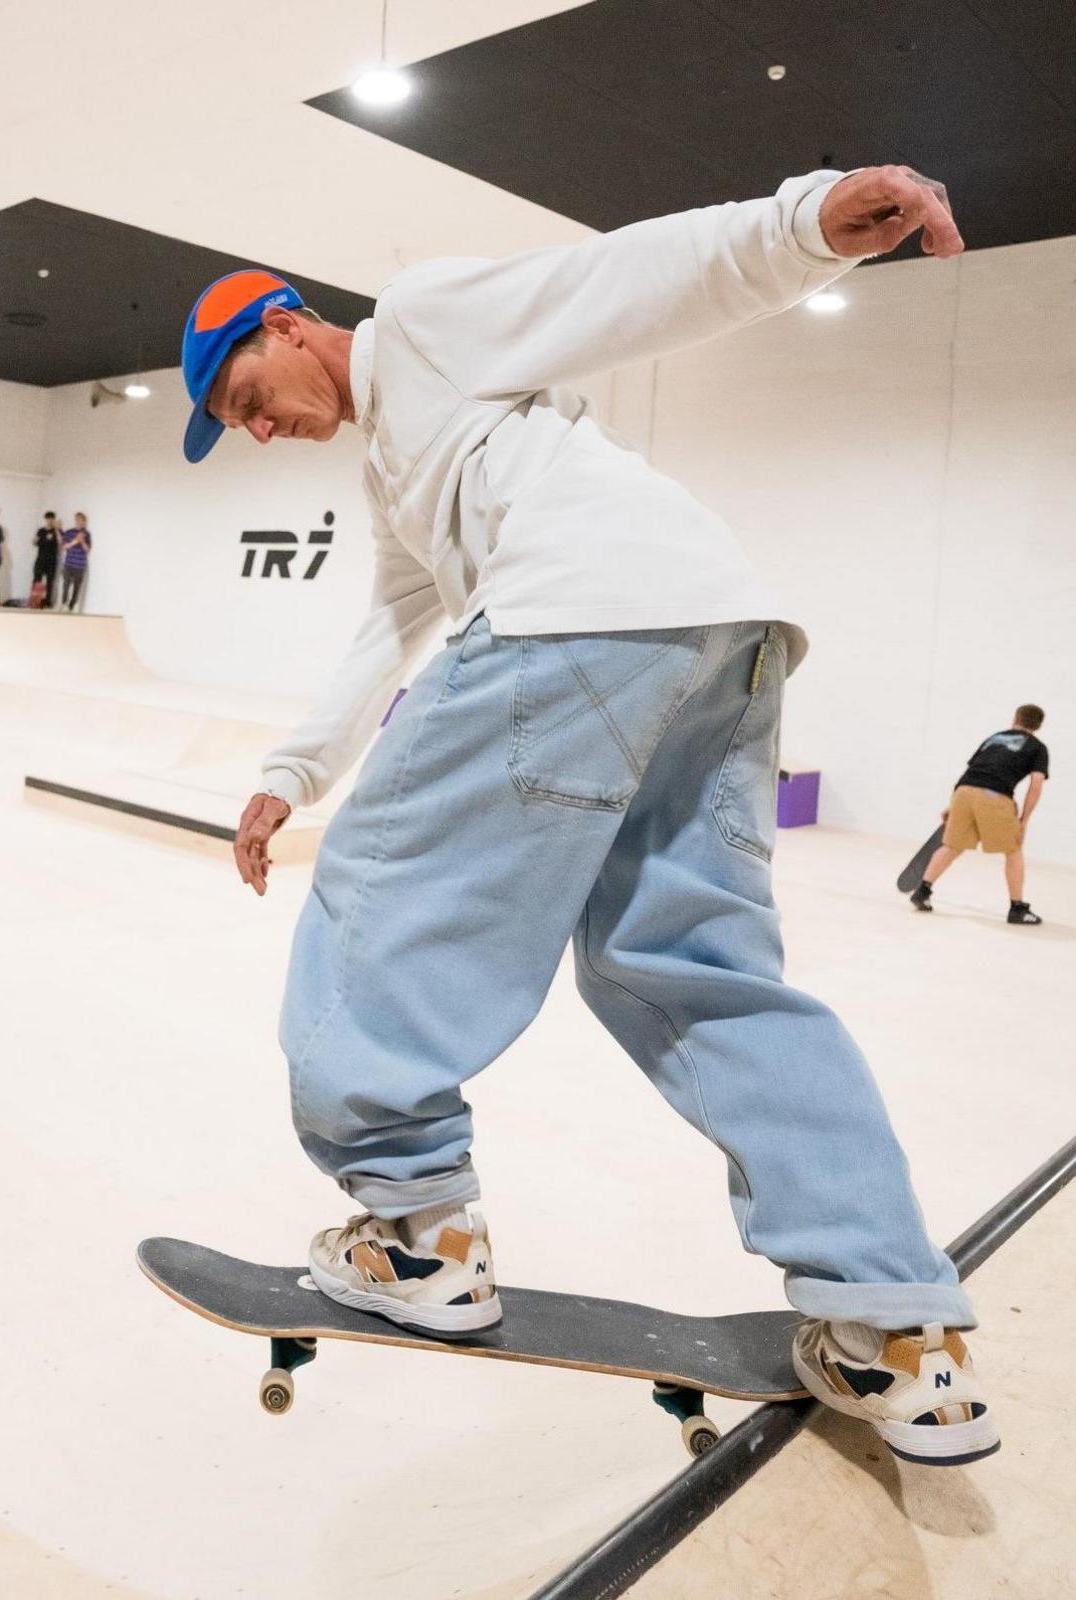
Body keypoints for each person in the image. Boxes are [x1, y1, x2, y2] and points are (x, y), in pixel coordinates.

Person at [184, 167, 998, 1468]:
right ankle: (888, 1317)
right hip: (723, 640)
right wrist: (291, 771)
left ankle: (414, 1235)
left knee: (380, 897)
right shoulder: (403, 475)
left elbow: (619, 280)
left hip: (580, 619)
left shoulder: (426, 321)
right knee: (697, 974)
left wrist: (799, 228)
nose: (261, 430)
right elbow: (395, 622)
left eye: (246, 402)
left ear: (284, 328)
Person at [910, 706, 1049, 924]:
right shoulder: (1038, 747)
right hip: (994, 795)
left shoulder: (994, 738)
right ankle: (1017, 908)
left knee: (952, 845)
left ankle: (922, 891)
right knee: (1013, 850)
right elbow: (1036, 784)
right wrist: (1024, 820)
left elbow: (972, 769)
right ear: (1039, 725)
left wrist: (953, 804)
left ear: (1015, 718)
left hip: (963, 791)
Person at [58, 512, 91, 611]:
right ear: (75, 520)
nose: (79, 521)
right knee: (66, 585)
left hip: (80, 566)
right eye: (77, 519)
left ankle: (71, 607)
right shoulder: (69, 532)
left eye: (81, 520)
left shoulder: (87, 534)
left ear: (84, 522)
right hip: (68, 564)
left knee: (76, 588)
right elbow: (64, 547)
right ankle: (63, 604)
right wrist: (75, 541)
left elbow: (87, 550)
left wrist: (82, 541)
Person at [32, 510, 60, 608]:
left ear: (54, 520)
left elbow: (61, 543)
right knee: (37, 581)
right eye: (48, 519)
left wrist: (56, 529)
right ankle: (35, 601)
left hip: (51, 561)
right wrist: (37, 539)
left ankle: (47, 602)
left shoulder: (57, 531)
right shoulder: (41, 530)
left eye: (52, 519)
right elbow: (34, 542)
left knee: (49, 582)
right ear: (45, 519)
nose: (50, 521)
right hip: (40, 559)